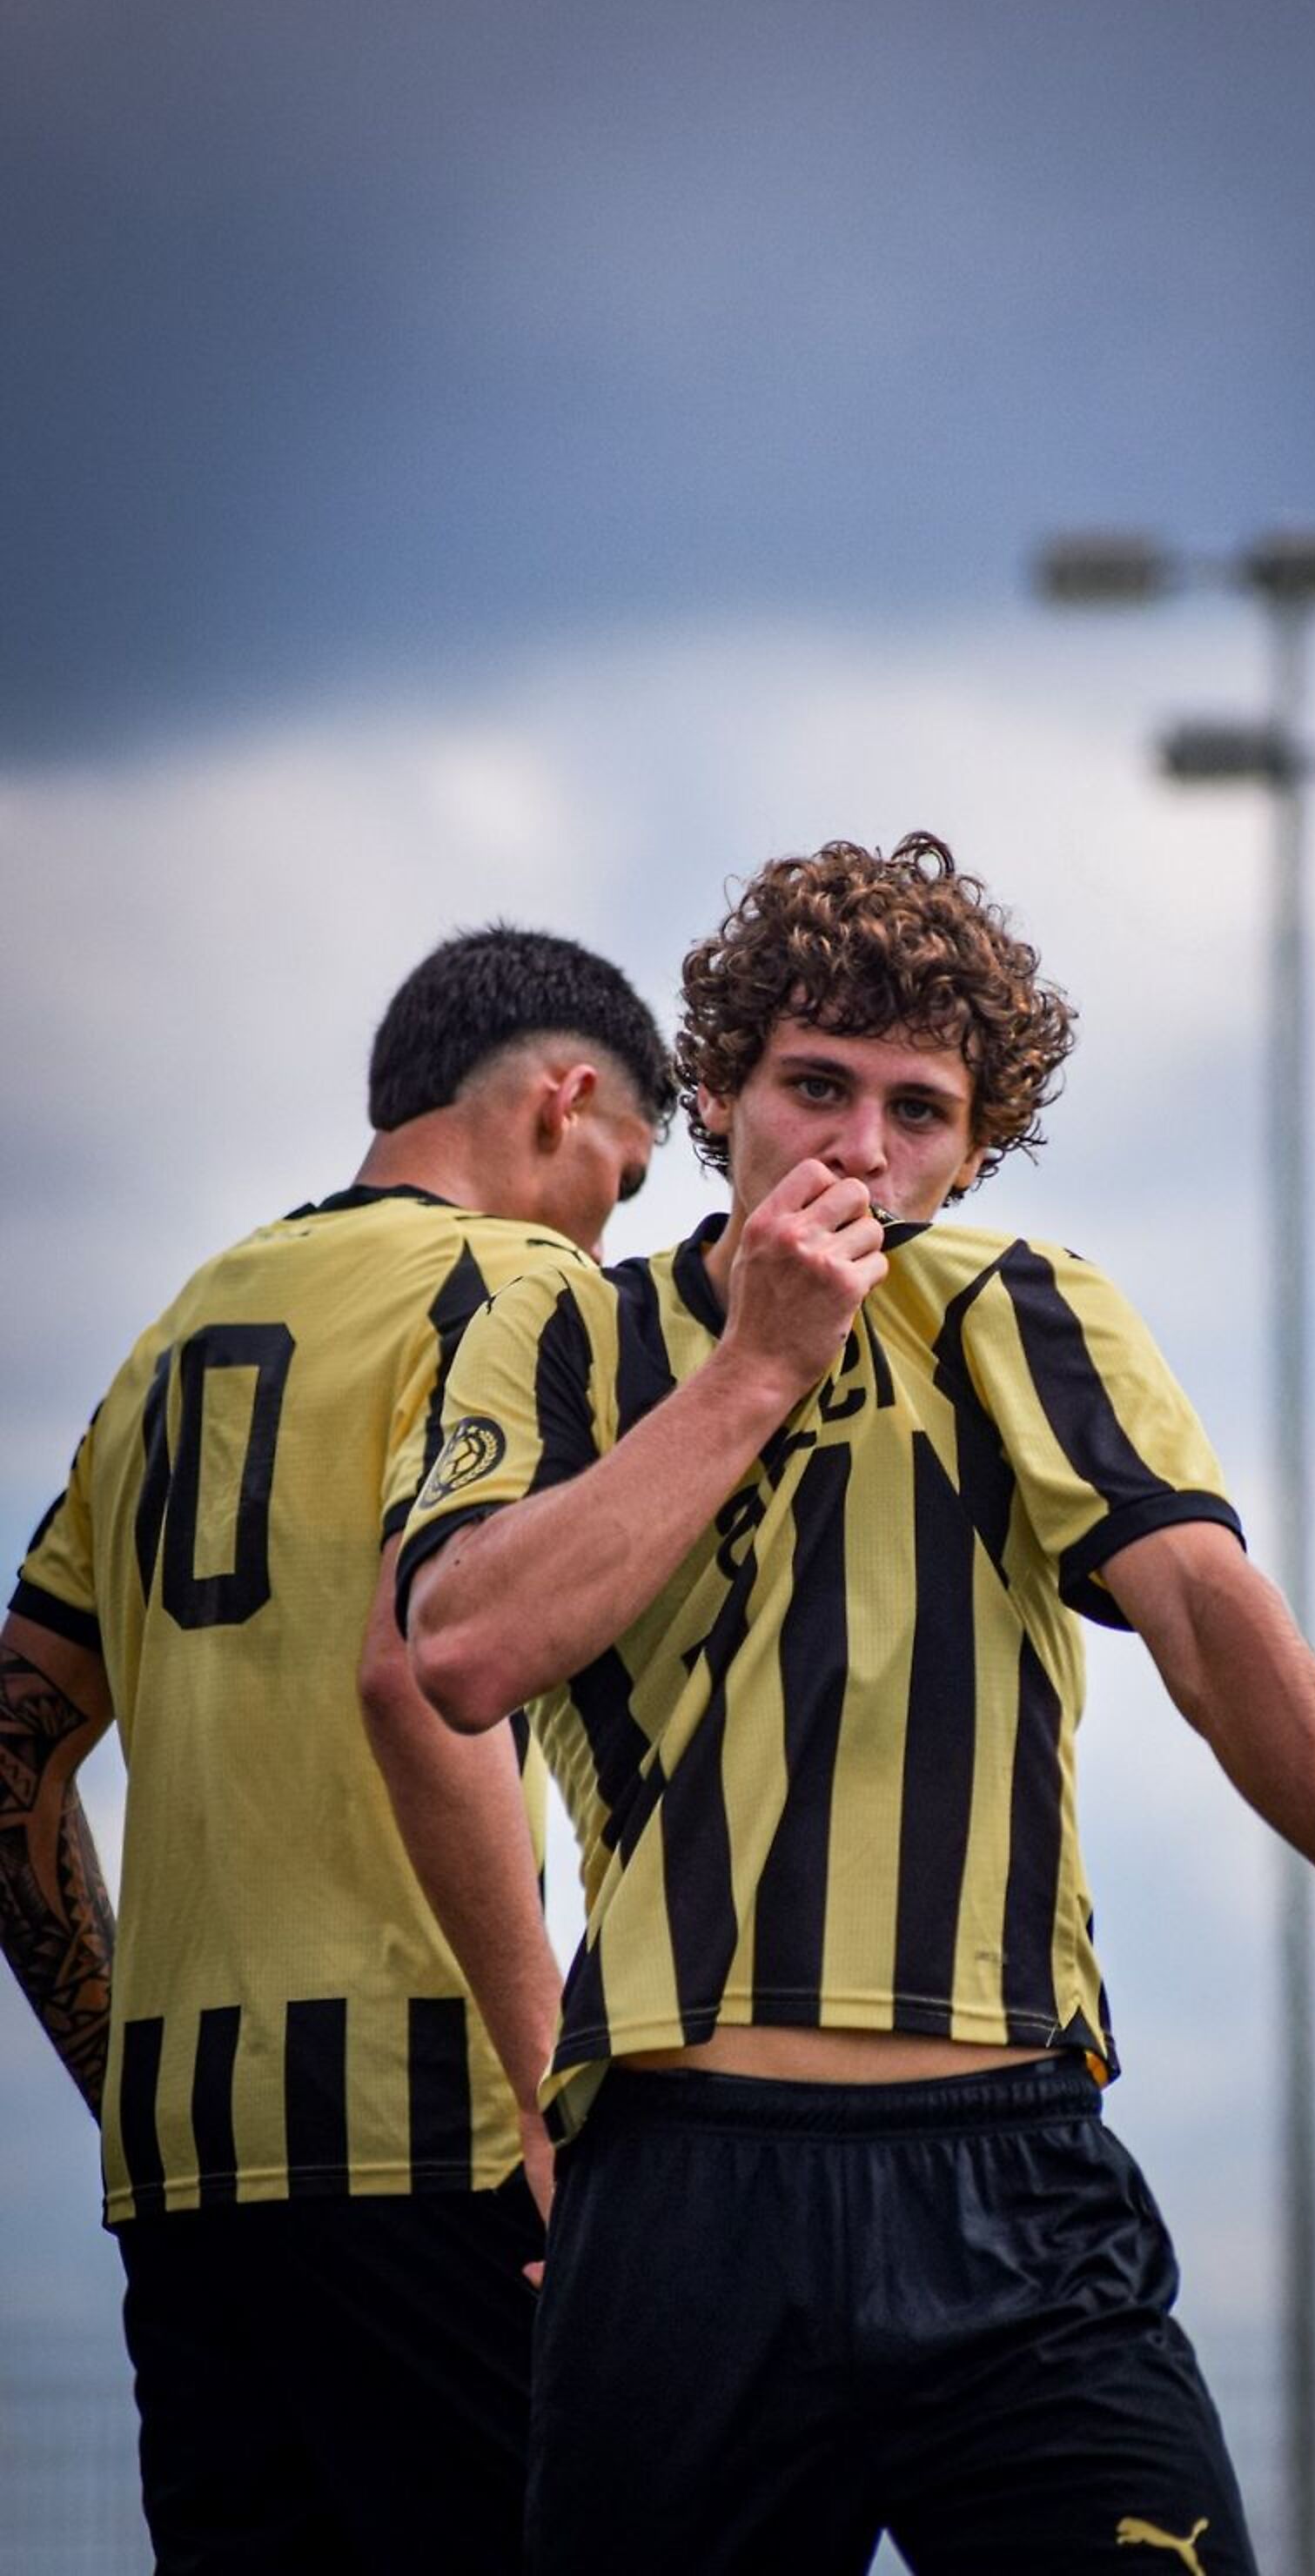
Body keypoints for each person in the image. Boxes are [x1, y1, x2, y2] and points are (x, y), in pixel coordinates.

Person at [399, 838, 1315, 2576]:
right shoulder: (558, 1339)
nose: (858, 1150)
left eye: (917, 1113)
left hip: (1009, 2178)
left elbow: (1208, 1615)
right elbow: (461, 1650)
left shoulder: (1022, 1310)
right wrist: (759, 1365)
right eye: (814, 1088)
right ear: (716, 1095)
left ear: (972, 1149)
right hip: (682, 2195)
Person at [0, 925, 673, 2576]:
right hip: (428, 2135)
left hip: (184, 2177)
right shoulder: (518, 1287)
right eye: (630, 1172)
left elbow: (12, 1744)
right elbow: (426, 1679)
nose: (615, 1219)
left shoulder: (171, 1335)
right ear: (564, 1102)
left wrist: (120, 2066)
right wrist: (552, 2108)